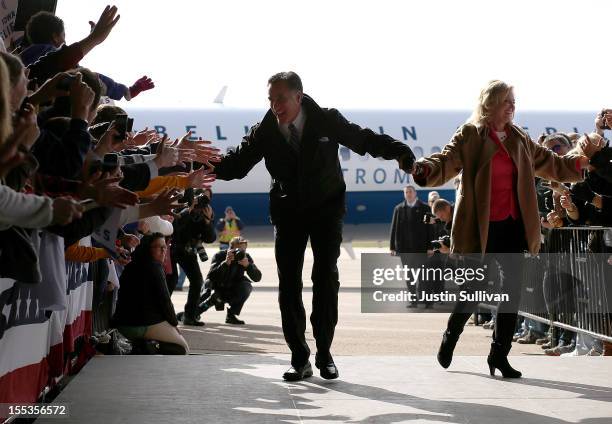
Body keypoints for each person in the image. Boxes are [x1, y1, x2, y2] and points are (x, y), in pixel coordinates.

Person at [213, 71, 415, 381]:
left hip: (325, 210)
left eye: (280, 98)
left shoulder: (325, 120)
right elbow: (235, 166)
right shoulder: (265, 130)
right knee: (289, 284)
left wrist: (400, 152)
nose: (275, 105)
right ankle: (299, 358)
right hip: (288, 212)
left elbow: (364, 140)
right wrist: (192, 163)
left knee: (325, 278)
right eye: (270, 99)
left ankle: (325, 353)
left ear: (298, 96)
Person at [411, 80, 595, 378]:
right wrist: (425, 169)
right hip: (480, 229)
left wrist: (577, 165)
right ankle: (450, 337)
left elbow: (550, 162)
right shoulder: (470, 135)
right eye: (507, 101)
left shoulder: (519, 138)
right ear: (491, 103)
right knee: (473, 291)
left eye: (514, 101)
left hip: (511, 226)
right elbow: (446, 161)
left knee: (511, 294)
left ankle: (499, 355)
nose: (512, 106)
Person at [112, 233, 189, 354]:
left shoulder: (132, 263)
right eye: (159, 247)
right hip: (139, 325)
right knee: (182, 348)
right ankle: (145, 349)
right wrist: (174, 324)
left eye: (165, 246)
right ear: (148, 248)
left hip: (122, 324)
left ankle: (143, 346)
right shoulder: (154, 266)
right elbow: (165, 301)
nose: (163, 250)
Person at [168, 190, 216, 326]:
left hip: (188, 251)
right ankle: (162, 314)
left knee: (197, 281)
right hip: (172, 248)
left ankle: (189, 316)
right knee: (171, 280)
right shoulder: (182, 208)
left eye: (206, 197)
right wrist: (189, 208)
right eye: (200, 196)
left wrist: (207, 221)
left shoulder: (206, 213)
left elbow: (210, 238)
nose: (203, 199)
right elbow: (174, 227)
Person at [198, 236, 262, 324]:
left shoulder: (245, 257)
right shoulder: (220, 255)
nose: (241, 252)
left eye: (243, 249)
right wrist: (225, 263)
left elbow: (258, 278)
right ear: (231, 249)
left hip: (232, 290)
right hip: (216, 289)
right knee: (210, 296)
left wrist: (248, 266)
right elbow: (211, 276)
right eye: (238, 250)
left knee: (246, 286)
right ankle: (194, 313)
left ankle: (231, 315)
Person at [389, 185, 434, 307]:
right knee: (410, 277)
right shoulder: (399, 209)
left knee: (423, 276)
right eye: (406, 192)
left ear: (415, 193)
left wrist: (430, 246)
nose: (408, 194)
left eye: (410, 192)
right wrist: (392, 247)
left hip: (421, 249)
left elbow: (431, 229)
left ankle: (427, 301)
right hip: (405, 249)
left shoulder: (425, 208)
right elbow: (394, 228)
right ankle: (413, 301)